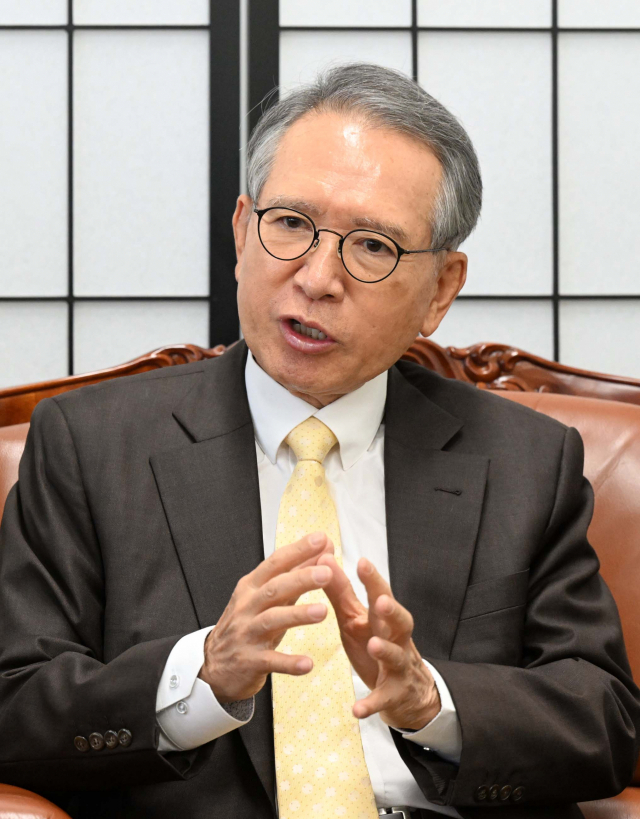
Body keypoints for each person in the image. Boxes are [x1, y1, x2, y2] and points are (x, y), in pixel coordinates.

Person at [0, 63, 638, 819]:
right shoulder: (91, 445)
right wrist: (198, 677)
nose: (317, 277)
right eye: (291, 224)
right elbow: (16, 705)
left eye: (372, 245)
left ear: (441, 289)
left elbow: (606, 720)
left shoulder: (526, 462)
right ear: (242, 232)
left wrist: (434, 704)